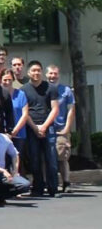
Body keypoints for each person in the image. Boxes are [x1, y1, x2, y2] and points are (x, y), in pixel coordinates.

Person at [22, 60, 60, 196]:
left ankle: (53, 188)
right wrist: (35, 127)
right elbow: (24, 112)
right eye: (33, 70)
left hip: (47, 127)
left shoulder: (51, 88)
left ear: (42, 72)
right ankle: (38, 188)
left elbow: (55, 109)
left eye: (38, 70)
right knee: (35, 159)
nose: (36, 73)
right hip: (31, 128)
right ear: (28, 73)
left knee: (51, 159)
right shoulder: (24, 90)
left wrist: (44, 126)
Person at [46, 64, 76, 193]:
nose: (53, 76)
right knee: (45, 157)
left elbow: (71, 110)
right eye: (50, 73)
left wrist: (67, 128)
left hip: (60, 128)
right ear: (46, 75)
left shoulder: (66, 90)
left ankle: (66, 183)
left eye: (55, 73)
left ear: (58, 75)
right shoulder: (43, 89)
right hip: (45, 128)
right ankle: (48, 183)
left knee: (62, 157)